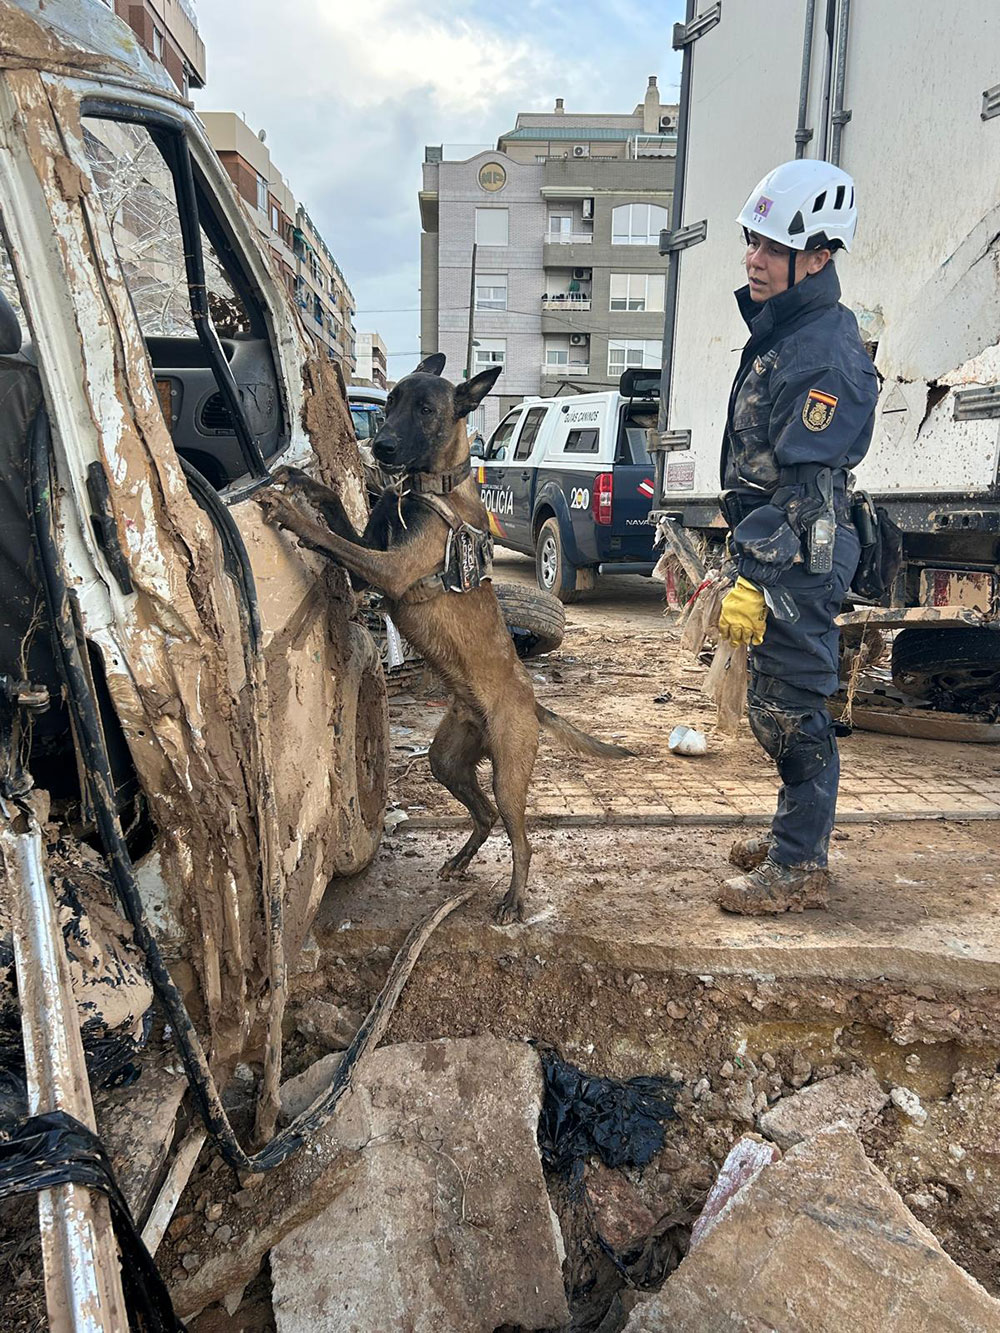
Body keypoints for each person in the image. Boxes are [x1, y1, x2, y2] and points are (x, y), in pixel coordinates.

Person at [715, 159, 879, 915]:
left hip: (801, 554)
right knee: (776, 703)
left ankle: (800, 862)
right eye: (753, 241)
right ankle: (794, 833)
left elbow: (807, 491)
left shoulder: (824, 351)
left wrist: (758, 573)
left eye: (773, 248)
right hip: (782, 548)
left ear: (818, 255)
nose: (755, 257)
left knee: (795, 707)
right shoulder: (793, 330)